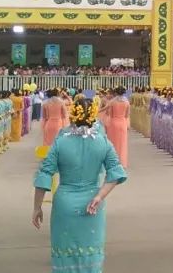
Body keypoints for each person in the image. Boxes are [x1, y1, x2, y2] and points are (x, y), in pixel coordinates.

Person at [33, 96, 127, 273]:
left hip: (64, 203)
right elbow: (116, 172)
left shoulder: (61, 141)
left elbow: (45, 173)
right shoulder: (102, 142)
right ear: (93, 115)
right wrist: (100, 196)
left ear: (73, 114)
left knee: (65, 251)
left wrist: (37, 207)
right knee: (90, 252)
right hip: (92, 203)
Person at [104, 87, 131, 168]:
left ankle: (113, 161)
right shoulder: (126, 102)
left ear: (115, 93)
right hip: (123, 123)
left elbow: (110, 114)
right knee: (122, 144)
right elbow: (127, 115)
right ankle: (122, 162)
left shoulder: (112, 102)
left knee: (113, 143)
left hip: (114, 123)